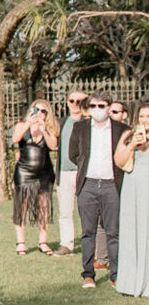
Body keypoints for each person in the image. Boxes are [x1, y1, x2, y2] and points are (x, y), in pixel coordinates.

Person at [68, 93, 124, 290]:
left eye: (101, 105)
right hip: (88, 185)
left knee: (113, 233)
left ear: (109, 107)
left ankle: (116, 275)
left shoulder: (121, 129)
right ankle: (88, 275)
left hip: (111, 186)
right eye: (93, 105)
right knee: (88, 233)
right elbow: (73, 154)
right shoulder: (80, 127)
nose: (97, 109)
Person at [9, 100, 59, 256]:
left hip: (44, 172)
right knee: (22, 207)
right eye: (37, 109)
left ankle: (43, 242)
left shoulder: (50, 128)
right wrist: (28, 124)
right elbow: (15, 139)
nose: (40, 113)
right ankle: (20, 242)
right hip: (24, 171)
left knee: (44, 208)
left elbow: (52, 146)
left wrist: (43, 130)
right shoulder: (21, 126)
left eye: (43, 111)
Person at [111, 101, 149, 297]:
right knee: (132, 229)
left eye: (148, 116)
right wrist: (133, 144)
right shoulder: (128, 135)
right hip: (133, 188)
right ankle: (130, 281)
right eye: (142, 116)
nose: (145, 120)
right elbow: (119, 161)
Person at [57, 91, 87, 260]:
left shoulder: (88, 122)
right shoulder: (63, 122)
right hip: (64, 172)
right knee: (65, 210)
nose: (75, 103)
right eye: (72, 100)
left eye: (80, 101)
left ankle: (89, 242)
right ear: (67, 102)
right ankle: (66, 244)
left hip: (83, 171)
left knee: (87, 210)